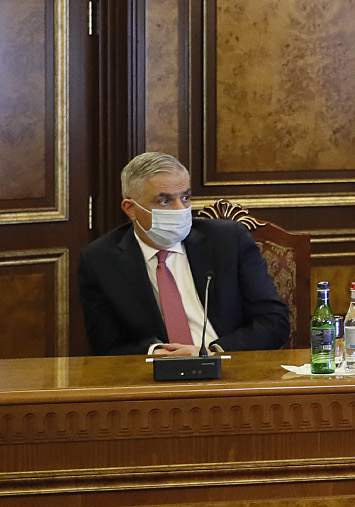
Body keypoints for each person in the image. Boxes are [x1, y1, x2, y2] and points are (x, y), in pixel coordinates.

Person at [78, 152, 290, 356]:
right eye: (165, 201)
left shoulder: (228, 240)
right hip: (155, 373)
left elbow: (274, 321)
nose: (180, 209)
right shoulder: (99, 260)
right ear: (131, 209)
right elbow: (107, 345)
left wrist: (212, 352)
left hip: (227, 365)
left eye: (185, 197)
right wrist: (156, 353)